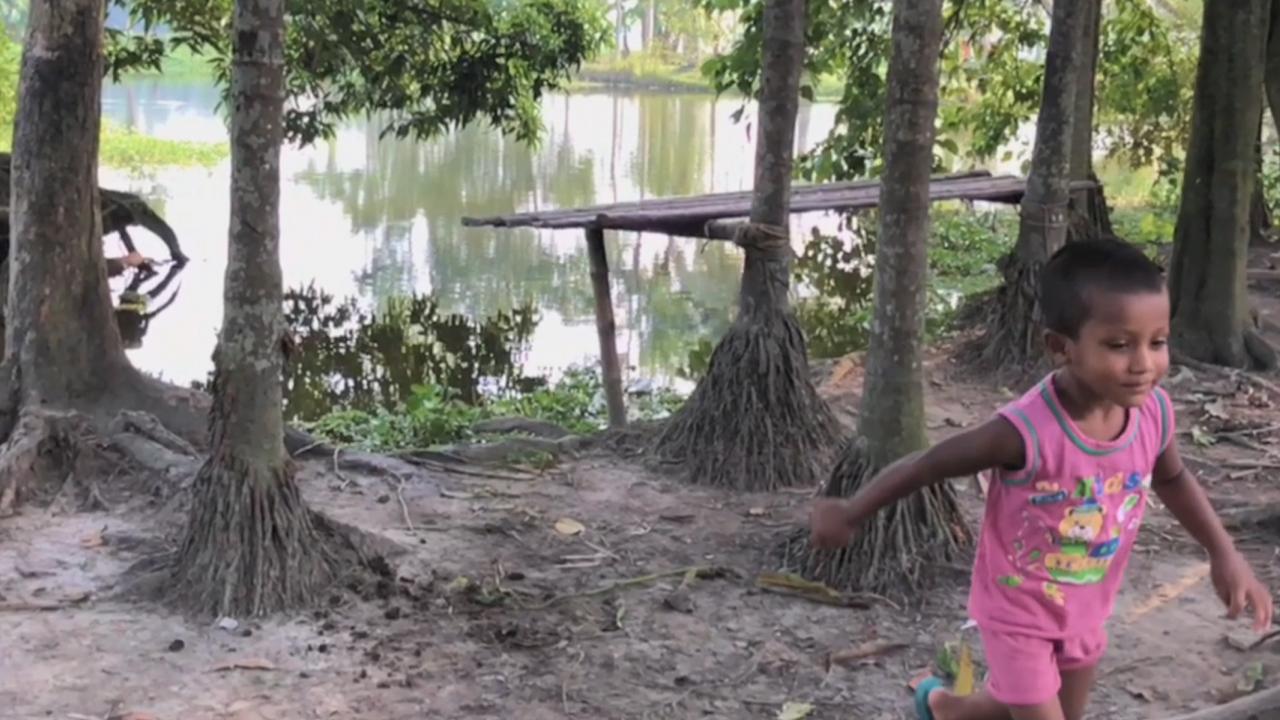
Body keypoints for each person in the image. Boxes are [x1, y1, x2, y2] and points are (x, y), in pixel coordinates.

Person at [810, 238, 1274, 720]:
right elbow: (928, 464)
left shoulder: (1153, 412)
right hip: (1018, 613)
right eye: (1119, 345)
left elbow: (1173, 477)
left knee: (1037, 709)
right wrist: (851, 510)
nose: (1143, 364)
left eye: (1157, 342)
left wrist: (1225, 554)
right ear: (1060, 347)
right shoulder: (1024, 433)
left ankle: (944, 708)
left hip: (1087, 604)